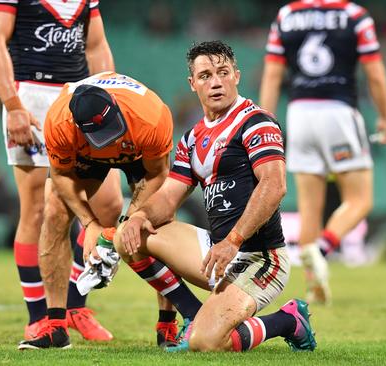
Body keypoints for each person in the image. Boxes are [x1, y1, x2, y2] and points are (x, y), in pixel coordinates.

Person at [116, 40, 316, 353]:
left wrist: (233, 240)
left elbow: (274, 186)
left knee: (207, 343)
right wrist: (138, 216)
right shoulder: (192, 138)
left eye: (223, 72)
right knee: (128, 234)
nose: (216, 81)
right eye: (206, 75)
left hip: (260, 259)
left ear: (236, 75)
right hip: (217, 252)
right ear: (192, 83)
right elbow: (169, 196)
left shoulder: (256, 122)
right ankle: (194, 315)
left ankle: (288, 320)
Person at [0, 0, 120, 341]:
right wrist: (12, 105)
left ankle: (75, 305)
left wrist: (110, 95)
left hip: (78, 97)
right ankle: (39, 317)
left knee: (107, 206)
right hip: (30, 95)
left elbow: (96, 45)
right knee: (36, 210)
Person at [17, 72, 181, 349]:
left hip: (139, 151)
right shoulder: (59, 122)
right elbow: (60, 176)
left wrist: (132, 220)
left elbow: (157, 175)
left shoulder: (151, 116)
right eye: (101, 135)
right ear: (76, 125)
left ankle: (167, 325)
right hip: (85, 154)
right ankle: (56, 326)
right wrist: (90, 224)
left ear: (115, 107)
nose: (109, 141)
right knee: (54, 210)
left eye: (110, 128)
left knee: (160, 220)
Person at [259, 0, 386, 304]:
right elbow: (374, 73)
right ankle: (320, 250)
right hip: (338, 111)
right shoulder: (354, 15)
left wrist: (266, 124)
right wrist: (385, 117)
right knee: (360, 200)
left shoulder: (287, 15)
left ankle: (313, 287)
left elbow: (271, 76)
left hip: (299, 113)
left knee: (310, 207)